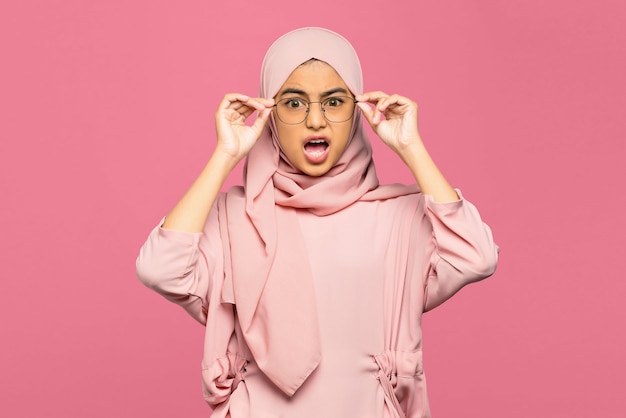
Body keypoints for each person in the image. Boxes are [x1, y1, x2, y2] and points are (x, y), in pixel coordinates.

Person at [136, 27, 498, 418]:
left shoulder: (399, 217)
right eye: (293, 103)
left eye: (334, 101)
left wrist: (412, 148)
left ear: (357, 109)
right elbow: (161, 268)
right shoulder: (234, 219)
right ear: (270, 113)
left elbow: (476, 256)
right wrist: (225, 155)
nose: (315, 120)